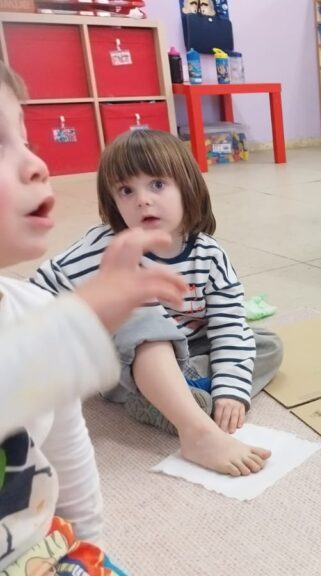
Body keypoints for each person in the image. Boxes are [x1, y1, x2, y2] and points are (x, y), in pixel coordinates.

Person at [0, 61, 187, 574]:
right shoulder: (73, 294)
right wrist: (81, 325)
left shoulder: (34, 309)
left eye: (25, 140)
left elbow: (66, 448)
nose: (36, 164)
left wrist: (87, 548)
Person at [33, 129, 283, 476]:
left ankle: (175, 399)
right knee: (142, 318)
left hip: (188, 352)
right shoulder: (107, 247)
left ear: (187, 187)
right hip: (121, 363)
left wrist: (231, 391)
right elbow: (38, 288)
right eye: (126, 190)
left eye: (157, 185)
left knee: (266, 344)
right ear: (113, 202)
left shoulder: (209, 254)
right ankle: (196, 429)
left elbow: (228, 325)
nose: (142, 200)